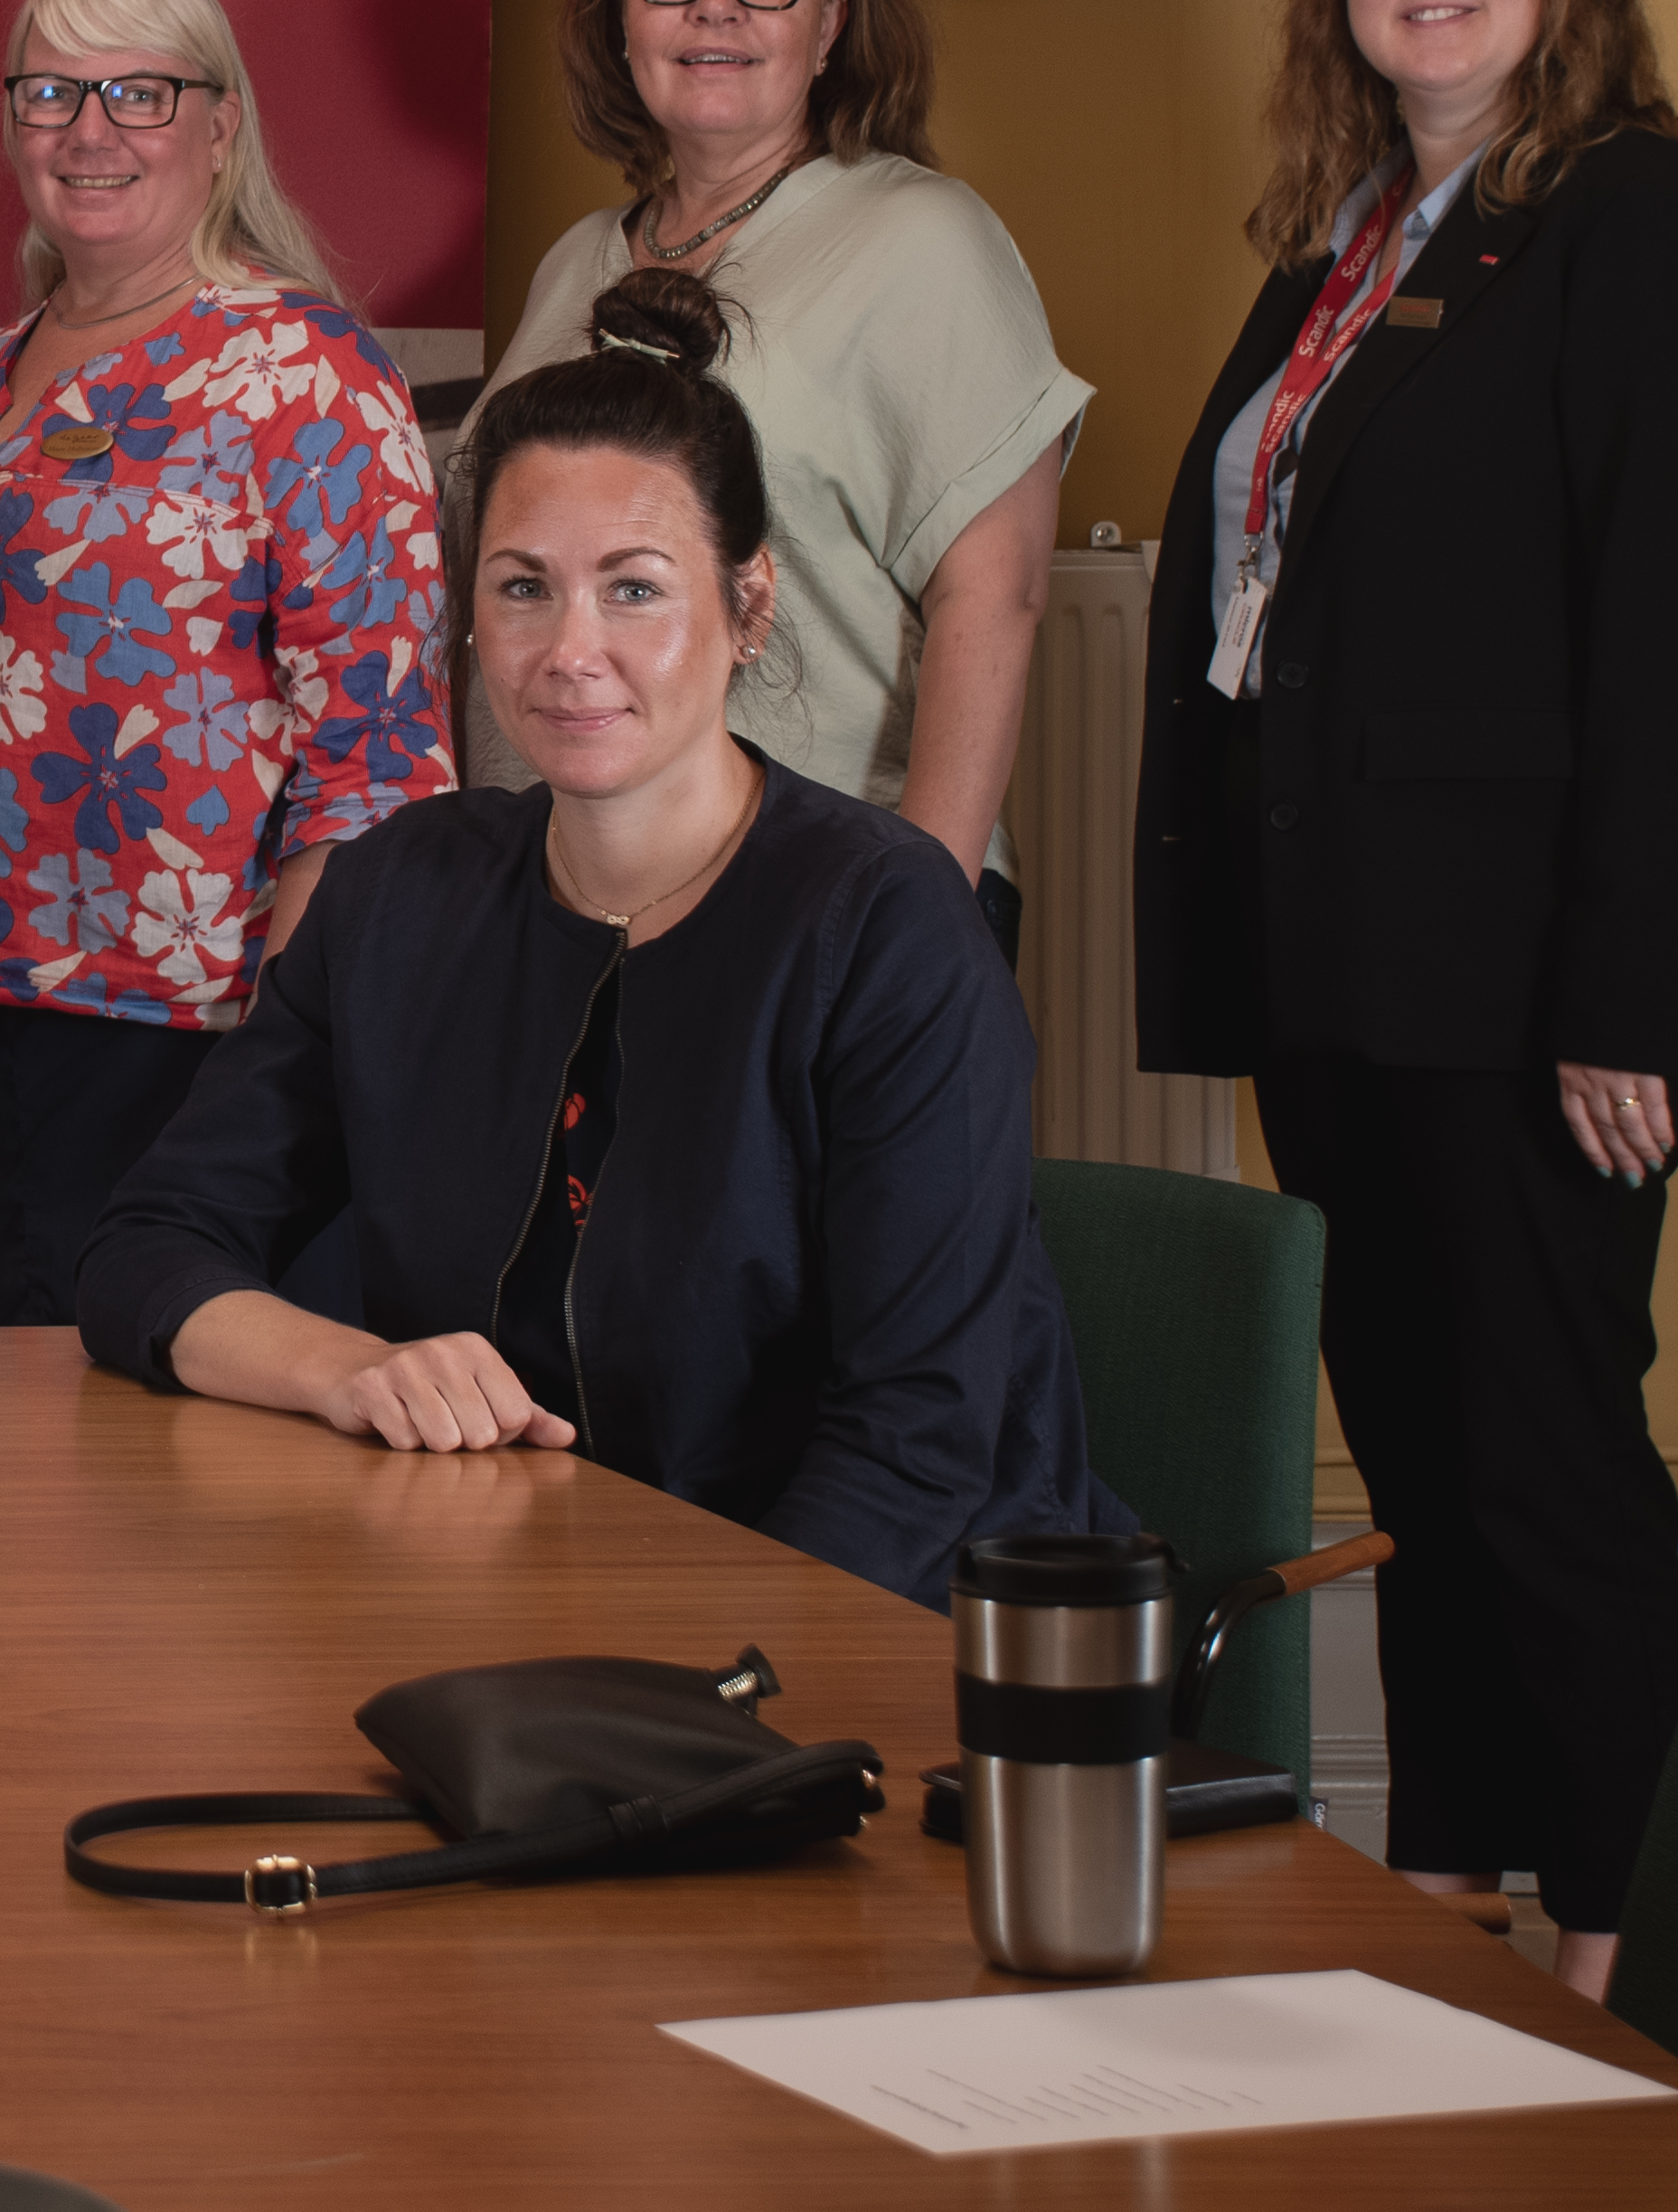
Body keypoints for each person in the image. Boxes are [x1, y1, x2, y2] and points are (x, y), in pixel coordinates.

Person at [1134, 0, 1678, 2002]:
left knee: (1541, 1466)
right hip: (1339, 970)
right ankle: (1451, 1895)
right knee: (1414, 1466)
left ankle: (1628, 1943)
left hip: (1519, 988)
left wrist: (1628, 990)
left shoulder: (1636, 222)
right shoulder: (1345, 237)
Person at [78, 268, 1119, 1607]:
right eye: (524, 588)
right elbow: (147, 1248)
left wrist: (684, 1711)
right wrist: (340, 1365)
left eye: (633, 589)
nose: (570, 650)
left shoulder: (885, 921)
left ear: (749, 608)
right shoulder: (401, 893)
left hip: (878, 1643)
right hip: (524, 1602)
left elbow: (918, 1453)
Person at [0, 0, 451, 1328]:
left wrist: (280, 1070)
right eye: (52, 91)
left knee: (135, 1465)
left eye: (141, 91)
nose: (90, 130)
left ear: (221, 124)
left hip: (185, 1040)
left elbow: (375, 761)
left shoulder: (308, 374)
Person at [482, 0, 1083, 955]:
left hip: (824, 896)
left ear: (830, 19)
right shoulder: (573, 266)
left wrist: (916, 907)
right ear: (622, 14)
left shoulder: (922, 238)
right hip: (565, 899)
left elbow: (990, 598)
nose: (715, 7)